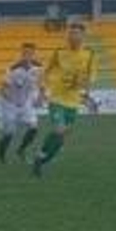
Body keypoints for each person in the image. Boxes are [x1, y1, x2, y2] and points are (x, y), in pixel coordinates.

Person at [33, 21, 98, 178]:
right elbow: (44, 72)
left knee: (62, 137)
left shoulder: (90, 54)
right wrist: (41, 92)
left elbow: (90, 77)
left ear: (83, 36)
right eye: (70, 33)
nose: (72, 36)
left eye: (76, 33)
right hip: (57, 98)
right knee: (59, 130)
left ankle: (42, 160)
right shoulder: (59, 52)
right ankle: (41, 155)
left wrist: (87, 96)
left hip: (73, 101)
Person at [0, 43, 44, 164]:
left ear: (33, 54)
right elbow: (2, 89)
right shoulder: (13, 69)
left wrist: (40, 98)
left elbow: (42, 85)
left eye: (29, 54)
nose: (26, 56)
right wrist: (10, 98)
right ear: (21, 54)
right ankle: (2, 155)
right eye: (24, 53)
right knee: (9, 133)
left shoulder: (39, 68)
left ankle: (21, 150)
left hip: (26, 102)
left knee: (34, 127)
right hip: (9, 104)